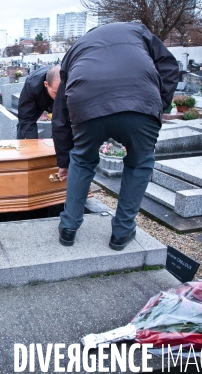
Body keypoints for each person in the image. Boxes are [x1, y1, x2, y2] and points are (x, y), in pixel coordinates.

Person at [52, 22, 178, 251]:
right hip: (140, 101)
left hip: (86, 101)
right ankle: (121, 232)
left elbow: (61, 113)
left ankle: (68, 228)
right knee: (140, 162)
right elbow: (169, 67)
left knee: (81, 159)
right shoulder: (138, 31)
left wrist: (64, 161)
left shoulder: (77, 47)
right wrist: (159, 106)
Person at [16, 65, 61, 139]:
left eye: (61, 93)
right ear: (46, 84)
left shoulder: (71, 85)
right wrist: (32, 145)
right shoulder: (32, 85)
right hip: (38, 99)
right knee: (24, 128)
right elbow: (26, 118)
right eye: (56, 93)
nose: (59, 97)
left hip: (60, 101)